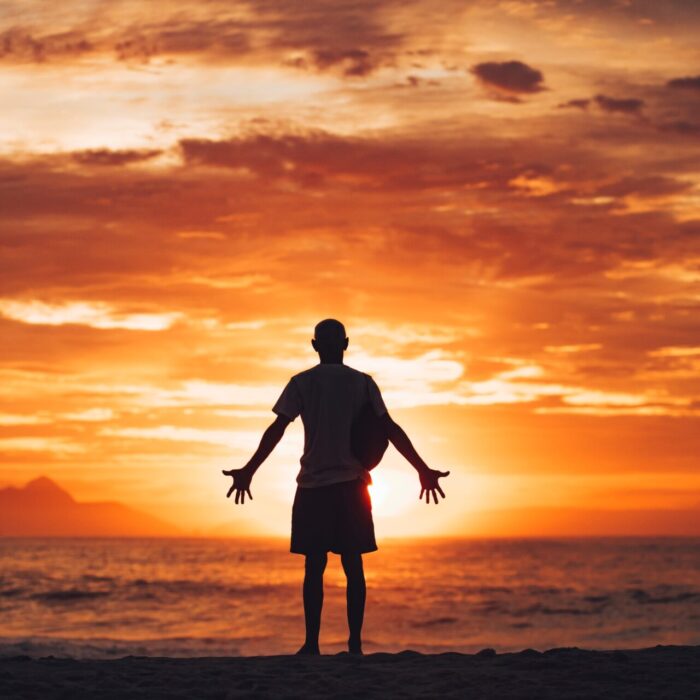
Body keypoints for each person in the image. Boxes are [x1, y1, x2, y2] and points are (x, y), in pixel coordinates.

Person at [222, 319, 450, 655]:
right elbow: (389, 428)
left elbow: (277, 428)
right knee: (353, 566)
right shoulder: (363, 383)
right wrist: (422, 469)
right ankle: (354, 645)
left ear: (315, 345)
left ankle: (311, 644)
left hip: (313, 487)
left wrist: (249, 470)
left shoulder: (301, 382)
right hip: (352, 487)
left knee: (313, 568)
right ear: (346, 343)